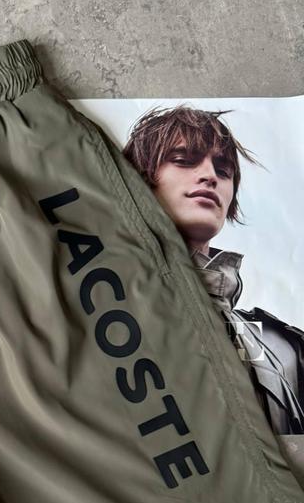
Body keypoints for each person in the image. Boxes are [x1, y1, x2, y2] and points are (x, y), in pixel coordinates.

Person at [122, 105, 304, 441]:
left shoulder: (283, 346)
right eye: (183, 159)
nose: (210, 175)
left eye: (223, 169)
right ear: (137, 179)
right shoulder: (99, 316)